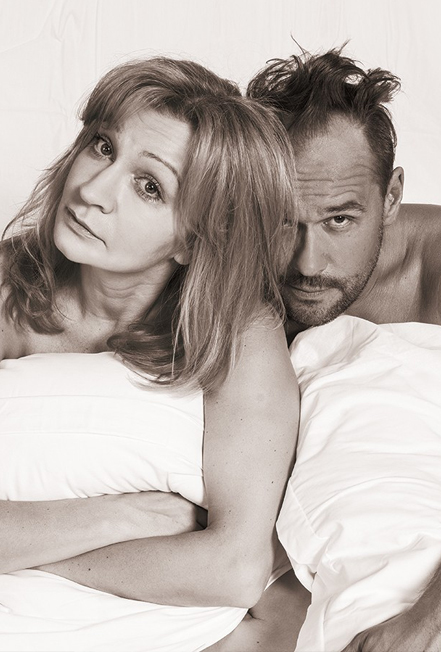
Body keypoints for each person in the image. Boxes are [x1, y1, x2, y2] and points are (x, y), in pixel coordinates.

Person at [0, 56, 300, 651]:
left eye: (149, 187)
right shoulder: (10, 281)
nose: (91, 191)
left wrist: (28, 551)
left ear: (194, 237)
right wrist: (119, 518)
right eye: (103, 146)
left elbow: (235, 569)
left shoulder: (238, 332)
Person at [208, 47, 441, 651]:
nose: (308, 264)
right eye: (281, 221)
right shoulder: (222, 266)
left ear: (391, 195)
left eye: (340, 220)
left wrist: (427, 621)